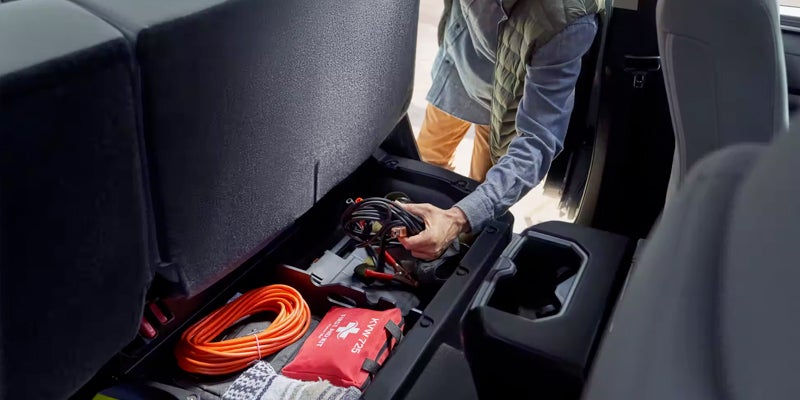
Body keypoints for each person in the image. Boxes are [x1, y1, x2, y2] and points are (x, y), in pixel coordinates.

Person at [401, 0, 602, 260]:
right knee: (427, 163)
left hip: (503, 104)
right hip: (457, 68)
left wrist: (458, 218)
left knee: (478, 193)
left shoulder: (566, 20)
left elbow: (538, 140)